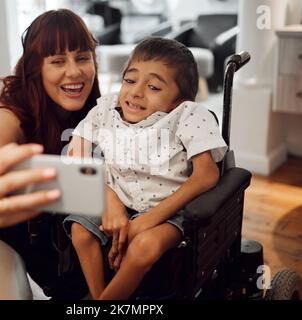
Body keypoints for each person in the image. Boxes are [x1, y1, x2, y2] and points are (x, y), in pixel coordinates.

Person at [0, 9, 104, 299]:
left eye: (82, 57)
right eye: (58, 61)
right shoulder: (7, 112)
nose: (74, 71)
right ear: (35, 69)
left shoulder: (96, 113)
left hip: (40, 227)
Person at [64, 37, 228, 300]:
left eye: (153, 86)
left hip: (172, 209)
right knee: (80, 232)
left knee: (144, 246)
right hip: (119, 198)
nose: (136, 92)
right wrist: (109, 196)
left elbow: (207, 174)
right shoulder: (106, 108)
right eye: (130, 80)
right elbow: (76, 154)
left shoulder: (188, 115)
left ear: (179, 99)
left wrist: (151, 219)